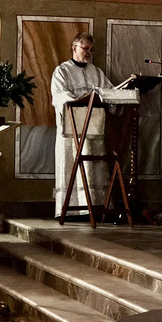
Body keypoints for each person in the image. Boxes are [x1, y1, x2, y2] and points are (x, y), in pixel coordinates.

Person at [51, 33, 113, 219]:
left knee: (94, 166)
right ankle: (71, 209)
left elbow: (109, 92)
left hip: (94, 128)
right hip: (72, 129)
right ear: (74, 48)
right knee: (72, 164)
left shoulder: (96, 72)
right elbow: (59, 95)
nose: (88, 53)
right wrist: (80, 101)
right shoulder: (62, 71)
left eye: (91, 50)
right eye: (85, 49)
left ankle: (96, 207)